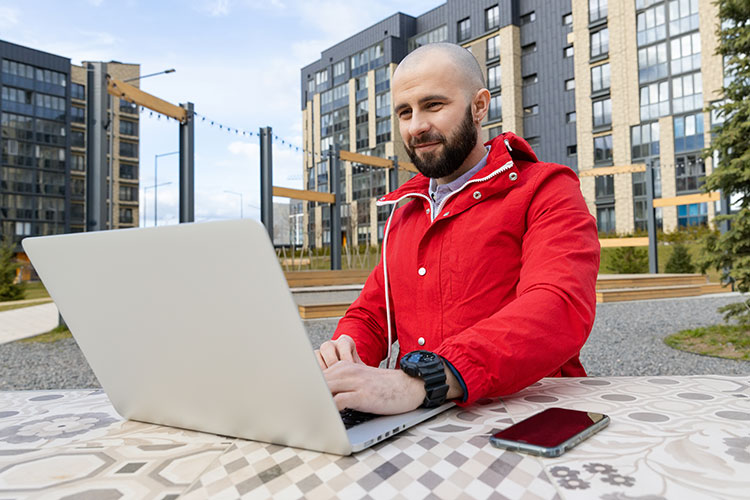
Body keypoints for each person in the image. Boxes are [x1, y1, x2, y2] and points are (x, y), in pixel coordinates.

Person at [315, 43, 600, 415]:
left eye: (433, 105)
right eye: (404, 112)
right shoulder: (407, 212)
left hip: (527, 417)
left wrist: (424, 379)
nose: (416, 126)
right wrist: (343, 356)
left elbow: (558, 307)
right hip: (419, 419)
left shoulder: (545, 188)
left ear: (479, 106)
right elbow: (373, 314)